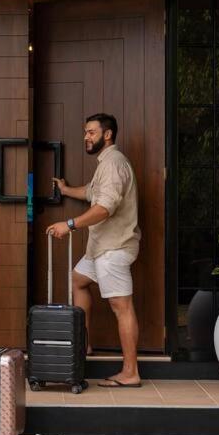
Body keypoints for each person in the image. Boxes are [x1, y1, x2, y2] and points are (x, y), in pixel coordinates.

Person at [46, 113, 142, 388]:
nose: (85, 137)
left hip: (114, 248)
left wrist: (69, 224)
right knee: (78, 281)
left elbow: (104, 208)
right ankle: (84, 345)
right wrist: (66, 190)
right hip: (100, 248)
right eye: (85, 132)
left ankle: (130, 372)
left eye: (90, 132)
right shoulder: (106, 164)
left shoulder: (114, 164)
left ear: (107, 134)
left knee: (121, 307)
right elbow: (92, 193)